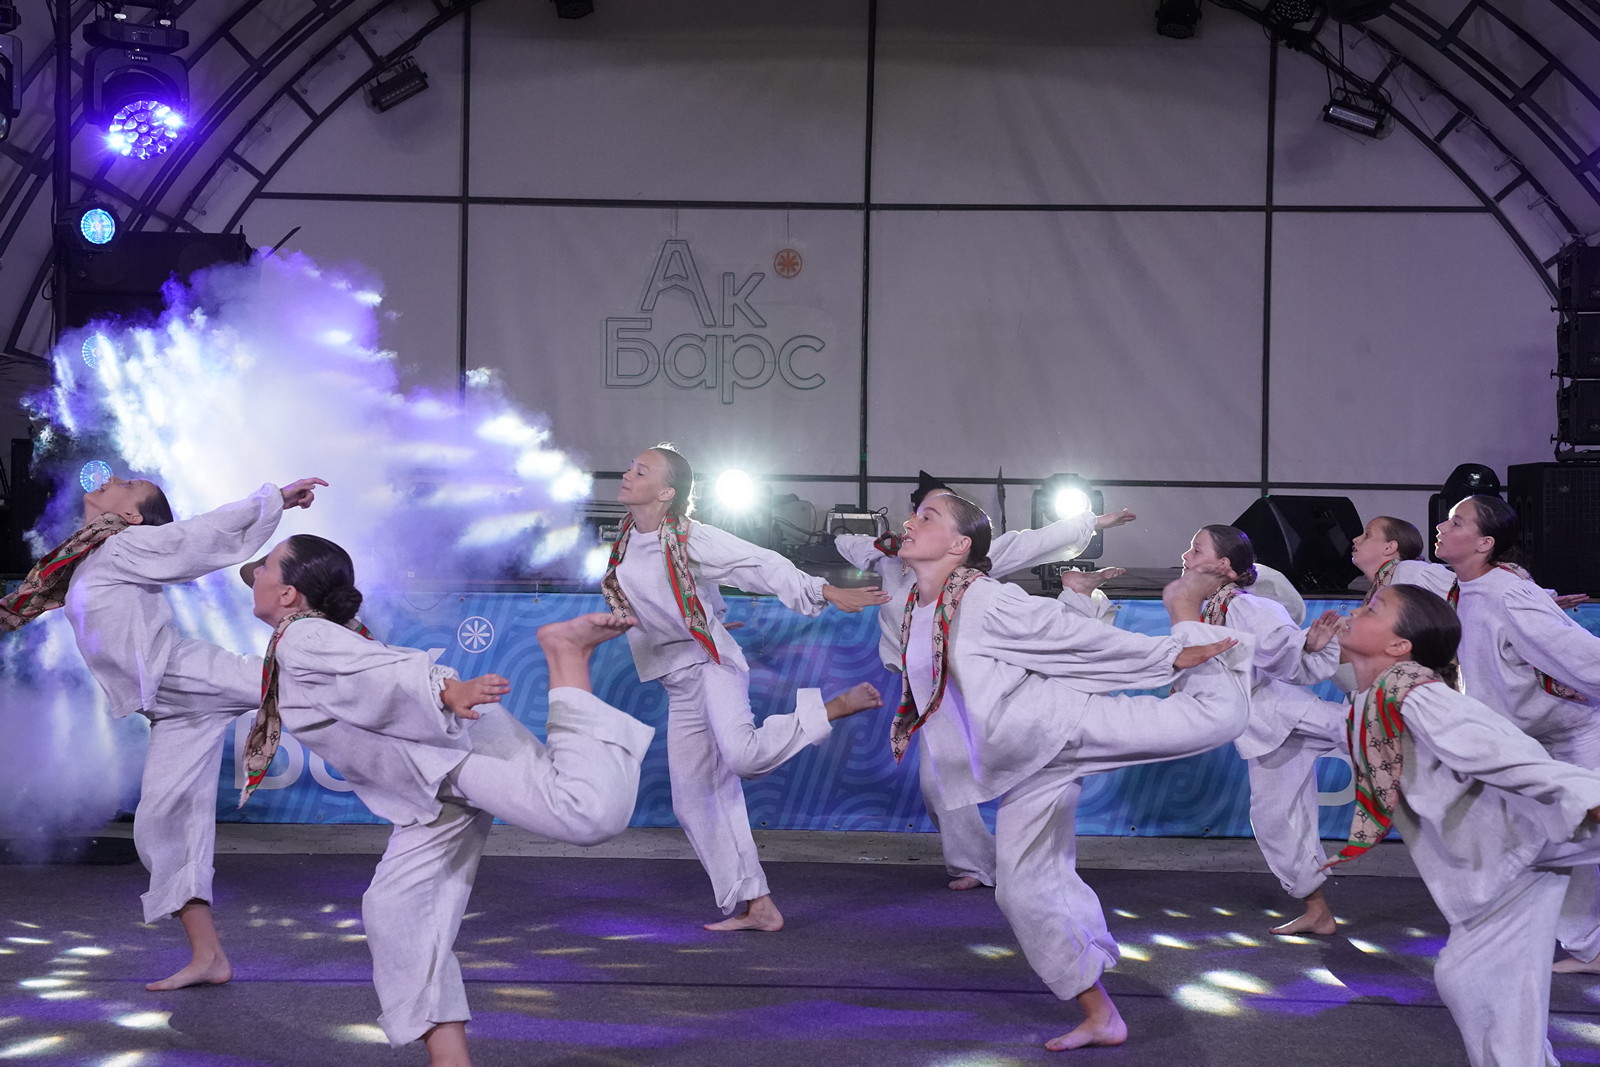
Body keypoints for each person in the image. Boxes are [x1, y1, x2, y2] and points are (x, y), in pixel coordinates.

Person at [243, 533, 655, 1067]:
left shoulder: (302, 638)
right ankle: (450, 1059)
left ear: (289, 594)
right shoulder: (302, 637)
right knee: (394, 910)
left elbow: (384, 674)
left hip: (455, 742)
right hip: (429, 785)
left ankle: (567, 654)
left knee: (587, 813)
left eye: (267, 568)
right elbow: (276, 596)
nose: (255, 574)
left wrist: (444, 689)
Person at [892, 490, 1249, 1049]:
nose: (911, 521)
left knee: (1214, 718)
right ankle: (1100, 1012)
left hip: (1061, 725)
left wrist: (1166, 653)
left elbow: (1065, 636)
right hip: (1028, 762)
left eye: (927, 516)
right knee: (1020, 888)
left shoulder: (983, 598)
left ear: (959, 545)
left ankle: (1185, 613)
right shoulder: (918, 603)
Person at [1, 473, 323, 991]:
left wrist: (272, 500)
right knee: (163, 823)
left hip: (181, 672)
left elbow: (197, 536)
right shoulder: (85, 556)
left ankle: (420, 689)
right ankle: (209, 957)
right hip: (171, 710)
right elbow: (34, 596)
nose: (111, 478)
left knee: (300, 682)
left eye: (127, 483)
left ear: (132, 516)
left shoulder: (127, 546)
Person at [602, 446, 887, 932]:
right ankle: (758, 904)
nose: (628, 474)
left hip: (711, 666)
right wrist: (708, 614)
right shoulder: (627, 538)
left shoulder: (689, 536)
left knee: (744, 758)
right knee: (694, 800)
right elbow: (676, 591)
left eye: (640, 471)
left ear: (666, 493)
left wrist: (823, 589)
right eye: (630, 466)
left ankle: (828, 710)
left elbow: (755, 563)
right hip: (678, 678)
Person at [1329, 583, 1600, 1066]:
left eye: (1372, 608)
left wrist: (1587, 797)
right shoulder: (1376, 698)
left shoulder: (1419, 697)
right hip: (1504, 861)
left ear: (1399, 645)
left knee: (1478, 984)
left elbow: (1503, 754)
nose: (1356, 610)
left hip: (1529, 838)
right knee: (1471, 980)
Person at [833, 471, 1134, 891]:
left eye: (938, 514)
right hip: (933, 687)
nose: (920, 523)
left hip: (986, 678)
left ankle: (1080, 601)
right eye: (923, 514)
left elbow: (1027, 543)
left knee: (1031, 750)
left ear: (959, 539)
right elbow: (847, 542)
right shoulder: (893, 557)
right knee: (938, 782)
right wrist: (867, 543)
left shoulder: (965, 558)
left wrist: (1089, 522)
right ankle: (976, 864)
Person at [1432, 494, 1600, 973]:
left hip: (1571, 738)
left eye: (1456, 522)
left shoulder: (1507, 595)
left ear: (1484, 543)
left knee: (1577, 842)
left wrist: (1540, 610)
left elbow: (1584, 658)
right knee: (1550, 846)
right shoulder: (1466, 587)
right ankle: (1589, 947)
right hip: (1524, 744)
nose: (1442, 527)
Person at [1179, 525, 1345, 936]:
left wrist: (1307, 645)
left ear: (1223, 565)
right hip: (1264, 728)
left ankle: (1445, 746)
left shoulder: (1243, 604)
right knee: (1272, 819)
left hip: (1284, 710)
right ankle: (1318, 911)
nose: (1186, 555)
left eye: (1196, 549)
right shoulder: (1209, 608)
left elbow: (1278, 644)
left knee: (1372, 734)